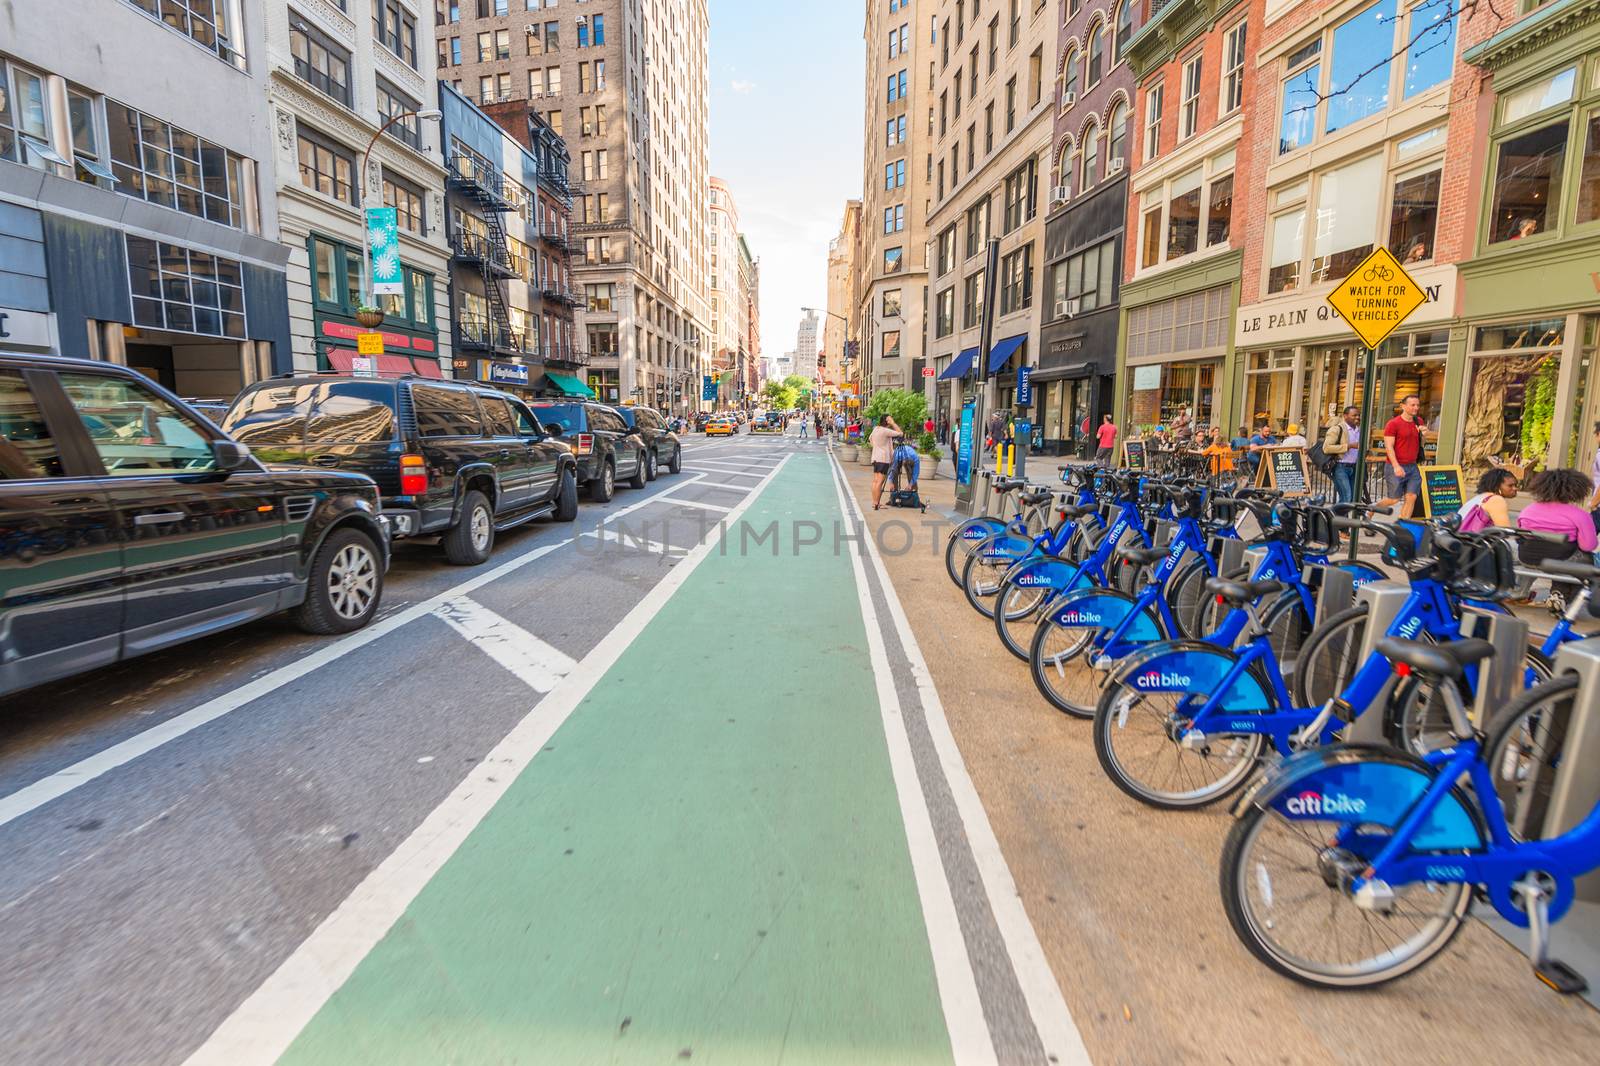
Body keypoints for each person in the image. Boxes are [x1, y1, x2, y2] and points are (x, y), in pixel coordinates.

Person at [1517, 469, 1599, 553]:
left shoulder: (1527, 511)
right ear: (1577, 490)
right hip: (1563, 562)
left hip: (1527, 558)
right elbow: (1588, 546)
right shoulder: (1581, 515)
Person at [1383, 394, 1426, 517]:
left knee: (1411, 497)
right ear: (1403, 406)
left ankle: (1402, 527)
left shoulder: (1419, 421)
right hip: (1394, 466)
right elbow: (1389, 447)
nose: (1416, 407)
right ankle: (1370, 510)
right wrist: (1396, 466)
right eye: (1412, 405)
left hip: (1412, 466)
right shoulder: (1393, 424)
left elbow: (1421, 443)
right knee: (1394, 499)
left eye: (1417, 405)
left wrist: (1424, 435)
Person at [1325, 406, 1362, 505]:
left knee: (1352, 498)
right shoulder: (1337, 429)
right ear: (1345, 416)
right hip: (1340, 467)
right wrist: (1349, 446)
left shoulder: (1360, 431)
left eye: (1358, 415)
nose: (1357, 417)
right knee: (1346, 497)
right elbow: (1327, 448)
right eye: (1354, 415)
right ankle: (1337, 518)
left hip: (1355, 467)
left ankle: (1339, 518)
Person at [869, 414, 902, 510]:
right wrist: (893, 423)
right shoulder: (885, 431)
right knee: (880, 481)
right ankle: (876, 503)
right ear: (887, 421)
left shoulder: (876, 429)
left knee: (875, 480)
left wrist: (876, 447)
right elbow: (900, 433)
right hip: (883, 459)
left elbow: (870, 439)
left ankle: (875, 502)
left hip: (875, 457)